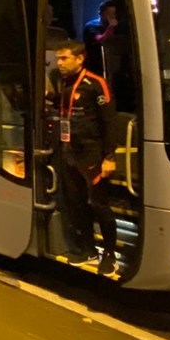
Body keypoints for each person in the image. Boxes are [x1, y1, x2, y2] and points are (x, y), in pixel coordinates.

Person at [50, 39, 120, 275]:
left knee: (99, 205)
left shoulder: (95, 83)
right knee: (76, 204)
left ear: (80, 59)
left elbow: (109, 122)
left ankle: (110, 255)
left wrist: (110, 156)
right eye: (58, 58)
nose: (59, 63)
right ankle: (88, 250)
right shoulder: (62, 82)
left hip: (92, 154)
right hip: (69, 152)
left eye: (64, 58)